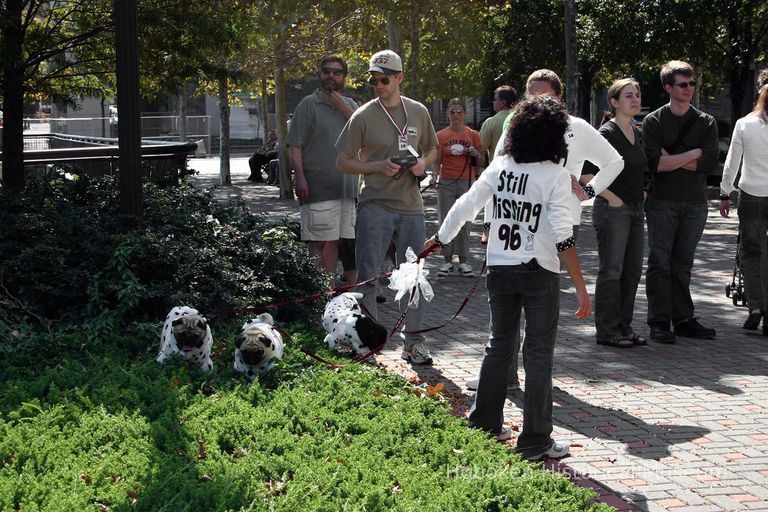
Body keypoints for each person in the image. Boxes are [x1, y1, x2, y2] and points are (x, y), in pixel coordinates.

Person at [424, 95, 591, 459]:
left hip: (499, 266)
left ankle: (484, 421)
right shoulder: (556, 176)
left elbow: (466, 204)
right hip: (538, 271)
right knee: (538, 352)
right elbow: (564, 236)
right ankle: (535, 440)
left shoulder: (500, 167)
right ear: (555, 136)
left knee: (498, 343)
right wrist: (580, 286)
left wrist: (440, 238)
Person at [466, 69, 623, 392]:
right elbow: (498, 177)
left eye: (546, 95)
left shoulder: (577, 128)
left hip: (557, 229)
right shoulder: (515, 125)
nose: (539, 101)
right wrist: (489, 222)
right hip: (515, 225)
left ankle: (536, 382)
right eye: (532, 95)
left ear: (560, 98)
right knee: (506, 307)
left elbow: (614, 161)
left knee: (540, 311)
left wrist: (588, 192)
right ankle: (503, 377)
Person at [336, 49, 438, 365]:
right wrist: (377, 165)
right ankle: (367, 343)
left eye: (384, 80)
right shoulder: (363, 115)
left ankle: (414, 343)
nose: (378, 85)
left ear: (399, 78)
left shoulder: (418, 111)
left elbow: (434, 149)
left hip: (411, 206)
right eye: (373, 80)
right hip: (374, 205)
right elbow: (342, 161)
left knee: (415, 276)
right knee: (369, 275)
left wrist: (423, 163)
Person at [642, 60, 719, 343]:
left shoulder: (705, 122)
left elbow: (709, 163)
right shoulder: (654, 121)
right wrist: (694, 153)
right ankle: (659, 321)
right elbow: (655, 164)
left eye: (692, 84)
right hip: (663, 202)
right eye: (683, 84)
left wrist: (674, 159)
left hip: (696, 203)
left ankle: (683, 318)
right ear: (668, 88)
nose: (689, 89)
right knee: (660, 262)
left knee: (683, 262)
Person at [584, 78, 648, 349]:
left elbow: (641, 169)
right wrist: (612, 199)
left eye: (637, 95)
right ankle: (607, 331)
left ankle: (624, 326)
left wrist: (643, 192)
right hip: (613, 211)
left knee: (632, 271)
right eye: (628, 96)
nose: (635, 100)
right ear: (614, 102)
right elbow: (586, 173)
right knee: (612, 271)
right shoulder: (606, 133)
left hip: (635, 210)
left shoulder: (638, 131)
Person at [287, 54, 358, 286]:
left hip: (347, 188)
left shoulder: (353, 107)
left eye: (337, 72)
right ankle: (316, 293)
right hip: (317, 185)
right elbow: (294, 144)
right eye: (326, 71)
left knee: (335, 241)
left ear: (344, 78)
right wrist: (300, 177)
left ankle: (326, 292)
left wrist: (343, 108)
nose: (331, 76)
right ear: (320, 74)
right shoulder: (308, 104)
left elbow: (363, 137)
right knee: (318, 240)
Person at [719, 73, 768, 335]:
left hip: (751, 193)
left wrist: (725, 192)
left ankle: (756, 306)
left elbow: (732, 162)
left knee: (751, 251)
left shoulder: (744, 124)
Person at [431, 98, 486, 277]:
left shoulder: (473, 135)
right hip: (446, 181)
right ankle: (447, 261)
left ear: (465, 113)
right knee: (445, 219)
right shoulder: (441, 135)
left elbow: (482, 160)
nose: (456, 115)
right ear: (448, 114)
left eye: (459, 112)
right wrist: (434, 176)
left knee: (465, 220)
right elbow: (437, 160)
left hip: (466, 182)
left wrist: (475, 154)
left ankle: (463, 261)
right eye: (452, 112)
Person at [480, 85, 517, 164]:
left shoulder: (490, 122)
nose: (493, 102)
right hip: (517, 171)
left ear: (503, 103)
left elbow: (480, 148)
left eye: (495, 99)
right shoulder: (521, 120)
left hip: (497, 170)